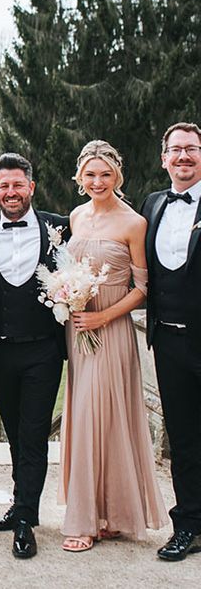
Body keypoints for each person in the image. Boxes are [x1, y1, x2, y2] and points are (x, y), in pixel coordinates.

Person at [58, 140, 168, 552]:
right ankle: (99, 514)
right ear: (80, 177)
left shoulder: (133, 223)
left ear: (118, 176)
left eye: (105, 174)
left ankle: (90, 521)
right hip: (79, 330)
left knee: (101, 418)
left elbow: (143, 288)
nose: (97, 181)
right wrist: (66, 296)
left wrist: (104, 317)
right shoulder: (76, 216)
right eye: (90, 174)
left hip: (111, 329)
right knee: (86, 417)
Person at [0, 153, 69, 559]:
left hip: (43, 351)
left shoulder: (60, 228)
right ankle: (20, 502)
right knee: (15, 432)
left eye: (18, 185)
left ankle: (25, 519)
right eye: (4, 186)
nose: (11, 193)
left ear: (31, 187)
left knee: (33, 435)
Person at [142, 122, 201, 561]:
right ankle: (189, 527)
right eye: (175, 150)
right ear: (163, 158)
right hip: (169, 342)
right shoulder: (154, 204)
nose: (183, 156)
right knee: (182, 439)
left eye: (191, 149)